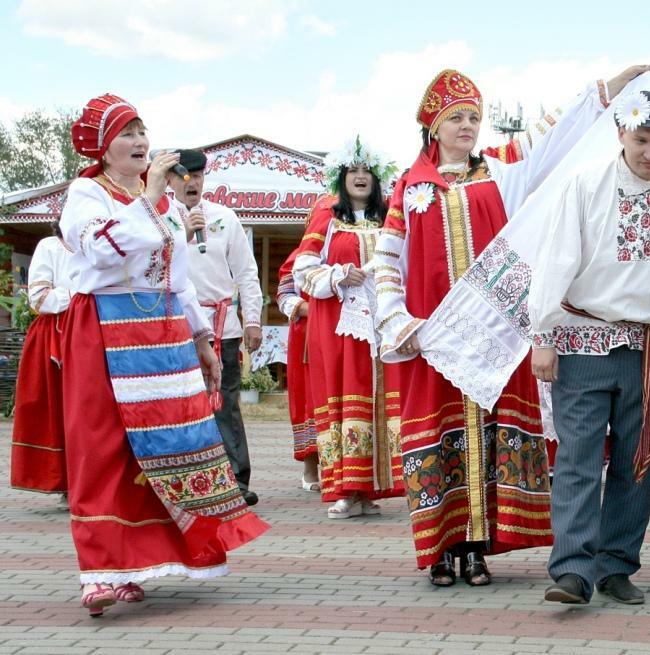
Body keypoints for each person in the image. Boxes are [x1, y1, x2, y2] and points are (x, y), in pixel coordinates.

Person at [373, 65, 647, 587]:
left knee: (489, 431)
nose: (468, 126)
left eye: (474, 116)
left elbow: (552, 134)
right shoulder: (408, 188)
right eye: (456, 117)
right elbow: (388, 257)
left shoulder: (501, 170)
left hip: (494, 334)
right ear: (433, 126)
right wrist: (395, 317)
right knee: (437, 431)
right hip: (434, 337)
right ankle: (439, 549)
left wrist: (607, 90)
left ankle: (477, 547)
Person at [59, 94, 268, 616]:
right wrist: (150, 198)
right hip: (105, 331)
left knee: (157, 450)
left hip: (163, 334)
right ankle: (98, 569)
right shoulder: (86, 193)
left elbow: (178, 280)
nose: (140, 142)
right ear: (103, 147)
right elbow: (100, 249)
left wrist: (201, 337)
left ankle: (136, 564)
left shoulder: (167, 206)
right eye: (127, 133)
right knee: (102, 448)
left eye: (143, 131)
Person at [530, 90, 650, 605]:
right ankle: (573, 570)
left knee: (636, 460)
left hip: (647, 345)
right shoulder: (584, 185)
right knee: (577, 457)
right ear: (622, 132)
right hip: (584, 340)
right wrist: (544, 336)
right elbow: (555, 259)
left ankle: (617, 566)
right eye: (642, 139)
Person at [294, 137, 404, 519]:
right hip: (340, 329)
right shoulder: (327, 217)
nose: (360, 177)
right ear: (342, 178)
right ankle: (345, 489)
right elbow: (302, 271)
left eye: (366, 172)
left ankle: (368, 489)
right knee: (344, 402)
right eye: (353, 171)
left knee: (379, 402)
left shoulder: (389, 218)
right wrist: (339, 275)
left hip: (380, 327)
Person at [169, 149, 263, 506]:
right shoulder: (160, 220)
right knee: (181, 403)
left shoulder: (225, 218)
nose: (190, 183)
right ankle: (185, 478)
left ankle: (235, 480)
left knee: (224, 403)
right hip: (177, 327)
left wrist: (251, 320)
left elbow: (247, 272)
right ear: (170, 180)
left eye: (197, 176)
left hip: (222, 327)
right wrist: (185, 236)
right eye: (182, 177)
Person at [10, 224, 75, 505]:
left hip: (95, 332)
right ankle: (64, 480)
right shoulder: (50, 247)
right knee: (58, 407)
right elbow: (39, 297)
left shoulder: (98, 249)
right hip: (56, 337)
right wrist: (77, 297)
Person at [277, 246, 319, 492]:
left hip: (344, 332)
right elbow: (283, 296)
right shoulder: (299, 255)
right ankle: (310, 467)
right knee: (309, 399)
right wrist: (310, 309)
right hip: (307, 334)